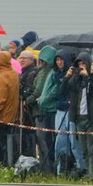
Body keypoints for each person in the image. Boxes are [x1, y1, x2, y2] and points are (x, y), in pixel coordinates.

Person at [60, 54, 92, 177]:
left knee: (91, 148)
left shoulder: (92, 78)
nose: (81, 67)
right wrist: (67, 77)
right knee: (81, 146)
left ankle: (91, 172)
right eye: (79, 65)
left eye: (84, 64)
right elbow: (62, 91)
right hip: (77, 116)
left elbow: (91, 89)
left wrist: (87, 77)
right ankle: (84, 170)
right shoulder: (74, 79)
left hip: (90, 116)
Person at [32, 45, 61, 173]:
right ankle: (48, 168)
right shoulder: (49, 72)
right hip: (47, 109)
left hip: (45, 111)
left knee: (45, 142)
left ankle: (48, 169)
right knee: (47, 141)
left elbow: (41, 91)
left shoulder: (45, 72)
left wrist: (33, 100)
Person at [16, 49, 39, 159]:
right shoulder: (21, 72)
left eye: (24, 58)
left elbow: (29, 90)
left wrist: (25, 101)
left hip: (28, 109)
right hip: (22, 108)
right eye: (20, 57)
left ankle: (30, 156)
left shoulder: (32, 72)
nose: (21, 60)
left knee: (29, 135)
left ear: (31, 60)